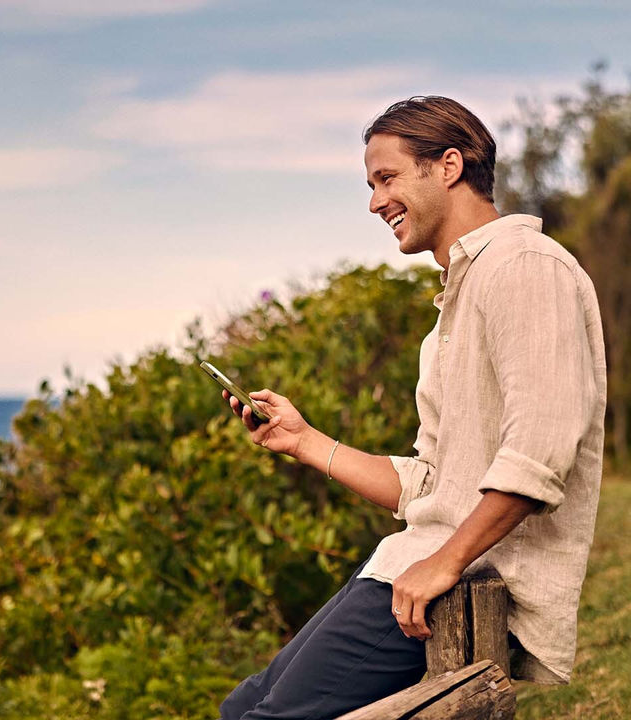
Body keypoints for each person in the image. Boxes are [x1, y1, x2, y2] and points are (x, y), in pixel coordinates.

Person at [216, 96, 607, 720]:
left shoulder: (525, 268)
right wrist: (304, 439)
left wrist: (445, 562)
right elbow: (432, 483)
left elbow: (540, 451)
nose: (375, 202)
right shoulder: (458, 302)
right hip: (411, 562)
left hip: (465, 574)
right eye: (372, 184)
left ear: (448, 165)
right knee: (243, 707)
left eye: (387, 178)